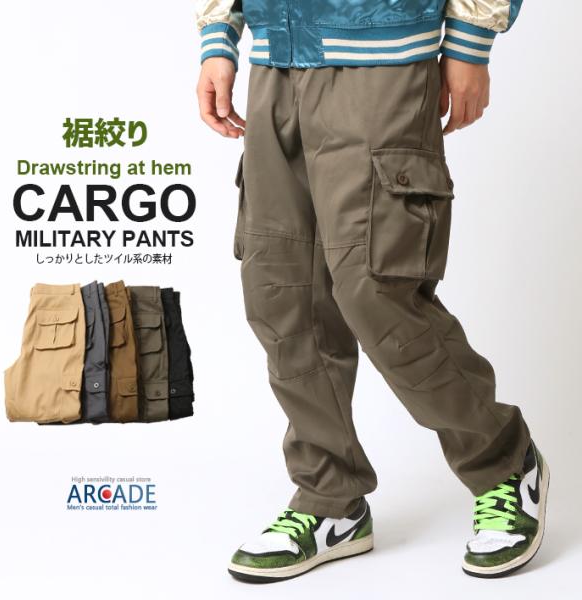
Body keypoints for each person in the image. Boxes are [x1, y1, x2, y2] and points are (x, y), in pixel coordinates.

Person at [195, 0, 548, 582]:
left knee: (375, 289)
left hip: (383, 58)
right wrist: (218, 33)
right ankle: (330, 498)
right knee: (282, 292)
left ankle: (503, 461)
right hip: (276, 60)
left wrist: (470, 40)